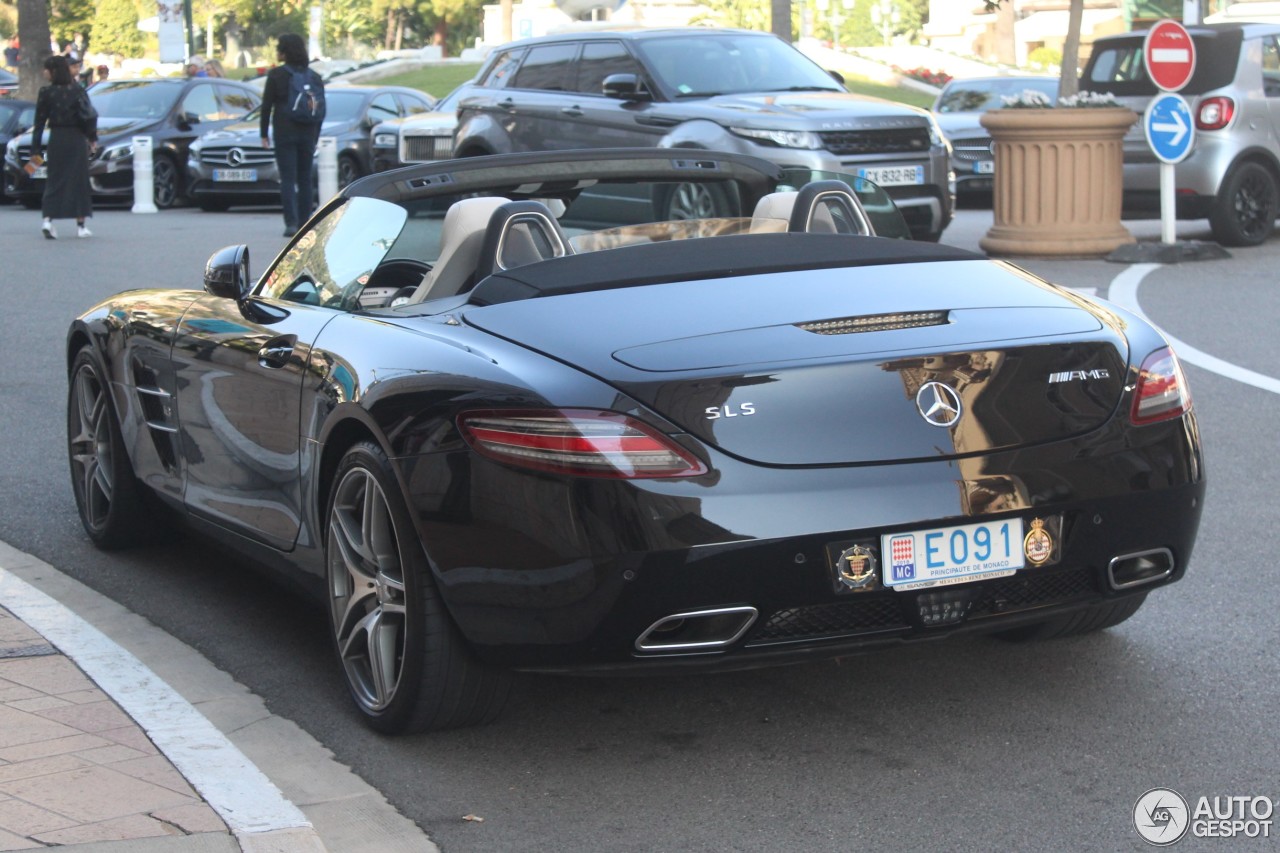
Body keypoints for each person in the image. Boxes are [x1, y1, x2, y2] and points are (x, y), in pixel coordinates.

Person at [259, 33, 325, 237]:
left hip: (284, 131)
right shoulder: (314, 77)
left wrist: (263, 133)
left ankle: (291, 223)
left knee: (288, 178)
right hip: (308, 132)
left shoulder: (276, 75)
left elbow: (266, 106)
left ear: (284, 52)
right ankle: (305, 223)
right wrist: (315, 135)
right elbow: (320, 109)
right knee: (305, 178)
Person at [31, 55, 97, 239]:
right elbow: (88, 115)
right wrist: (92, 138)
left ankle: (48, 221)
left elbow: (39, 123)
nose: (44, 72)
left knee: (55, 180)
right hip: (76, 138)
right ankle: (81, 225)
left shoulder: (46, 92)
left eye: (46, 69)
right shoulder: (77, 90)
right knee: (79, 181)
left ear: (53, 71)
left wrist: (35, 149)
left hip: (56, 138)